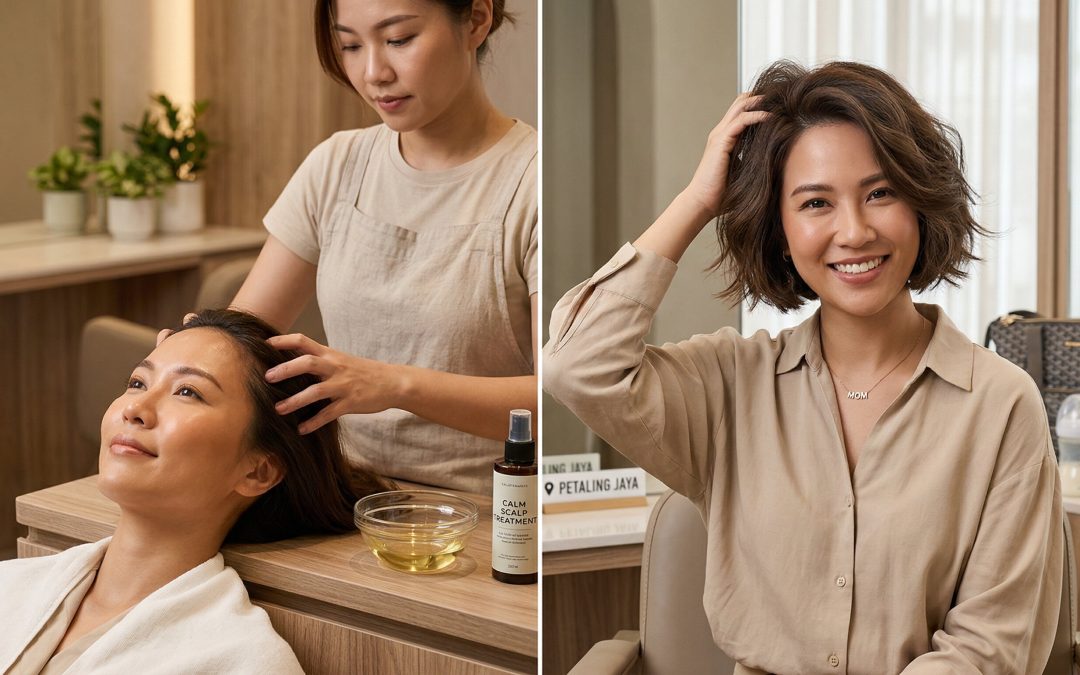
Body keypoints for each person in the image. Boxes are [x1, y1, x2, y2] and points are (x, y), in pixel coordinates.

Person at [544, 60, 1064, 673]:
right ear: (780, 230)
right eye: (816, 203)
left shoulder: (1001, 402)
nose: (855, 230)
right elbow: (575, 366)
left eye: (881, 193)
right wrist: (697, 200)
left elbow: (987, 650)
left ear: (920, 203)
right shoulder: (730, 386)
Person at [226, 0, 537, 494]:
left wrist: (394, 385)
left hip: (490, 511)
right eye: (350, 45)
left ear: (476, 20)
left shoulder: (533, 183)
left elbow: (558, 400)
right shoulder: (336, 165)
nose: (373, 73)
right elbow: (243, 338)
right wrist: (194, 352)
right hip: (344, 495)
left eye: (399, 40)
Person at [1, 309, 392, 673]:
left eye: (188, 392)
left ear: (258, 470)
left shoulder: (240, 661)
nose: (135, 408)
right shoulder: (12, 585)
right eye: (138, 382)